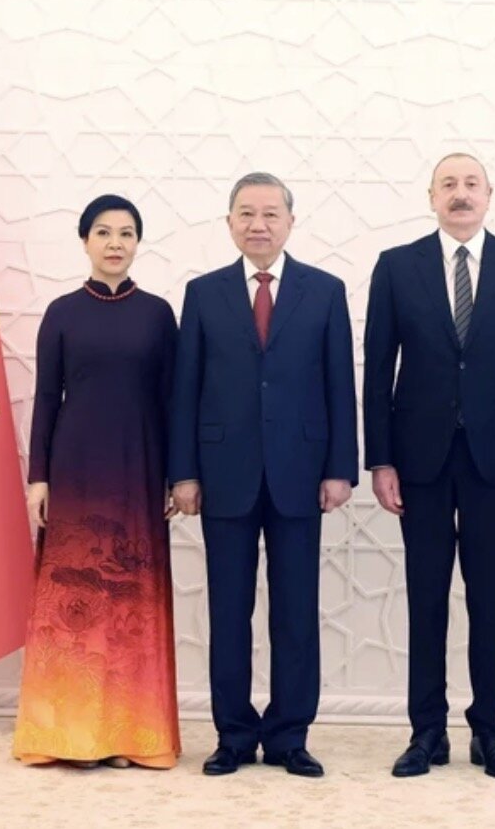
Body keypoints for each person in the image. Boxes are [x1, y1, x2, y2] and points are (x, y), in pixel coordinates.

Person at [363, 152, 495, 781]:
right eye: (448, 184)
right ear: (431, 196)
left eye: (470, 184)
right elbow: (377, 371)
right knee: (426, 598)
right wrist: (380, 459)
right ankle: (426, 732)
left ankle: (488, 732)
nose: (460, 193)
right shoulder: (396, 267)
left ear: (489, 194)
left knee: (490, 598)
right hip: (418, 461)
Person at [168, 172, 358, 779]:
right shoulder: (203, 293)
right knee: (229, 612)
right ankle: (232, 734)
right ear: (229, 223)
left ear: (290, 223)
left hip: (301, 472)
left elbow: (339, 384)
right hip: (223, 473)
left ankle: (288, 736)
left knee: (296, 612)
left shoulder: (324, 291)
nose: (259, 224)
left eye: (271, 214)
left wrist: (340, 469)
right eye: (246, 213)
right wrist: (183, 473)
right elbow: (186, 388)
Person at [13, 194, 181, 770]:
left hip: (140, 468)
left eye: (126, 233)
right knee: (73, 600)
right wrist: (38, 477)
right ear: (85, 241)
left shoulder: (158, 314)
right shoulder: (61, 312)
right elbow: (45, 398)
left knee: (129, 601)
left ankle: (131, 735)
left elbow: (172, 400)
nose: (115, 243)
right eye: (104, 232)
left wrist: (175, 474)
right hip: (75, 469)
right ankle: (70, 736)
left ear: (138, 243)